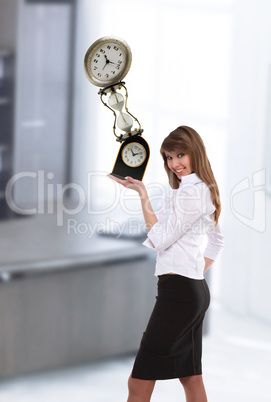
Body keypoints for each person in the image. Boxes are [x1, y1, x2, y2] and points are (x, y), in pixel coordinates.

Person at [108, 126, 224, 402]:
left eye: (180, 155)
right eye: (168, 158)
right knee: (190, 376)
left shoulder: (191, 194)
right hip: (193, 290)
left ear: (196, 152)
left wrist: (143, 196)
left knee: (139, 382)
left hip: (179, 294)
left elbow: (159, 239)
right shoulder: (194, 190)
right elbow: (216, 243)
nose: (175, 164)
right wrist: (193, 274)